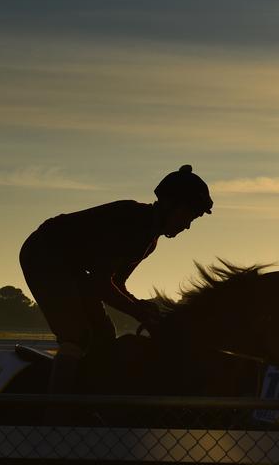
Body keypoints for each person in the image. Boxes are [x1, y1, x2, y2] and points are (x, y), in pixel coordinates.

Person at [19, 165, 213, 394]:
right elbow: (101, 284)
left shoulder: (149, 241)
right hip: (44, 254)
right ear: (169, 204)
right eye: (187, 215)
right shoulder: (133, 221)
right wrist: (139, 312)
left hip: (71, 266)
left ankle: (86, 397)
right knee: (76, 337)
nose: (187, 225)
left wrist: (140, 306)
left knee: (104, 336)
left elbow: (116, 284)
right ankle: (55, 413)